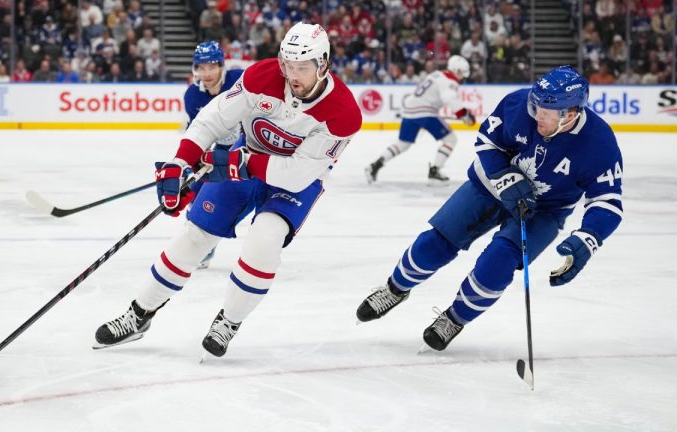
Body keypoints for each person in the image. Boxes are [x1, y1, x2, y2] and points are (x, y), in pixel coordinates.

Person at [95, 22, 362, 358]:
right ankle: (139, 314)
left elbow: (296, 175)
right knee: (194, 237)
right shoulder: (261, 77)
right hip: (245, 159)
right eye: (287, 64)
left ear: (323, 64)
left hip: (293, 183)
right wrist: (182, 161)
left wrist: (243, 162)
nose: (292, 74)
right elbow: (214, 118)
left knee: (264, 241)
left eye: (302, 67)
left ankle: (229, 320)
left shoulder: (343, 113)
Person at [355, 66, 623, 352]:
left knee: (497, 265)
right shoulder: (520, 104)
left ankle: (454, 319)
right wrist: (504, 176)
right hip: (488, 185)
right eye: (536, 107)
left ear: (570, 114)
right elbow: (487, 141)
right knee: (438, 240)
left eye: (546, 113)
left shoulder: (600, 143)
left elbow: (608, 201)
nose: (537, 117)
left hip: (544, 210)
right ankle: (394, 289)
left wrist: (589, 237)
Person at [365, 55, 476, 184]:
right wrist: (464, 114)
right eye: (462, 73)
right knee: (451, 139)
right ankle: (435, 171)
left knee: (403, 144)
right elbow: (449, 98)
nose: (462, 77)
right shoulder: (449, 81)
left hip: (409, 110)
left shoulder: (436, 74)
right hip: (425, 112)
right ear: (457, 70)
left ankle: (375, 165)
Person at [184, 40, 245, 269]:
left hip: (249, 147)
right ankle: (203, 245)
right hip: (218, 151)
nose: (206, 73)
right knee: (195, 195)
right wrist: (192, 163)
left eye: (211, 66)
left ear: (221, 66)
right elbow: (196, 133)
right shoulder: (192, 95)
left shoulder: (239, 80)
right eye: (201, 67)